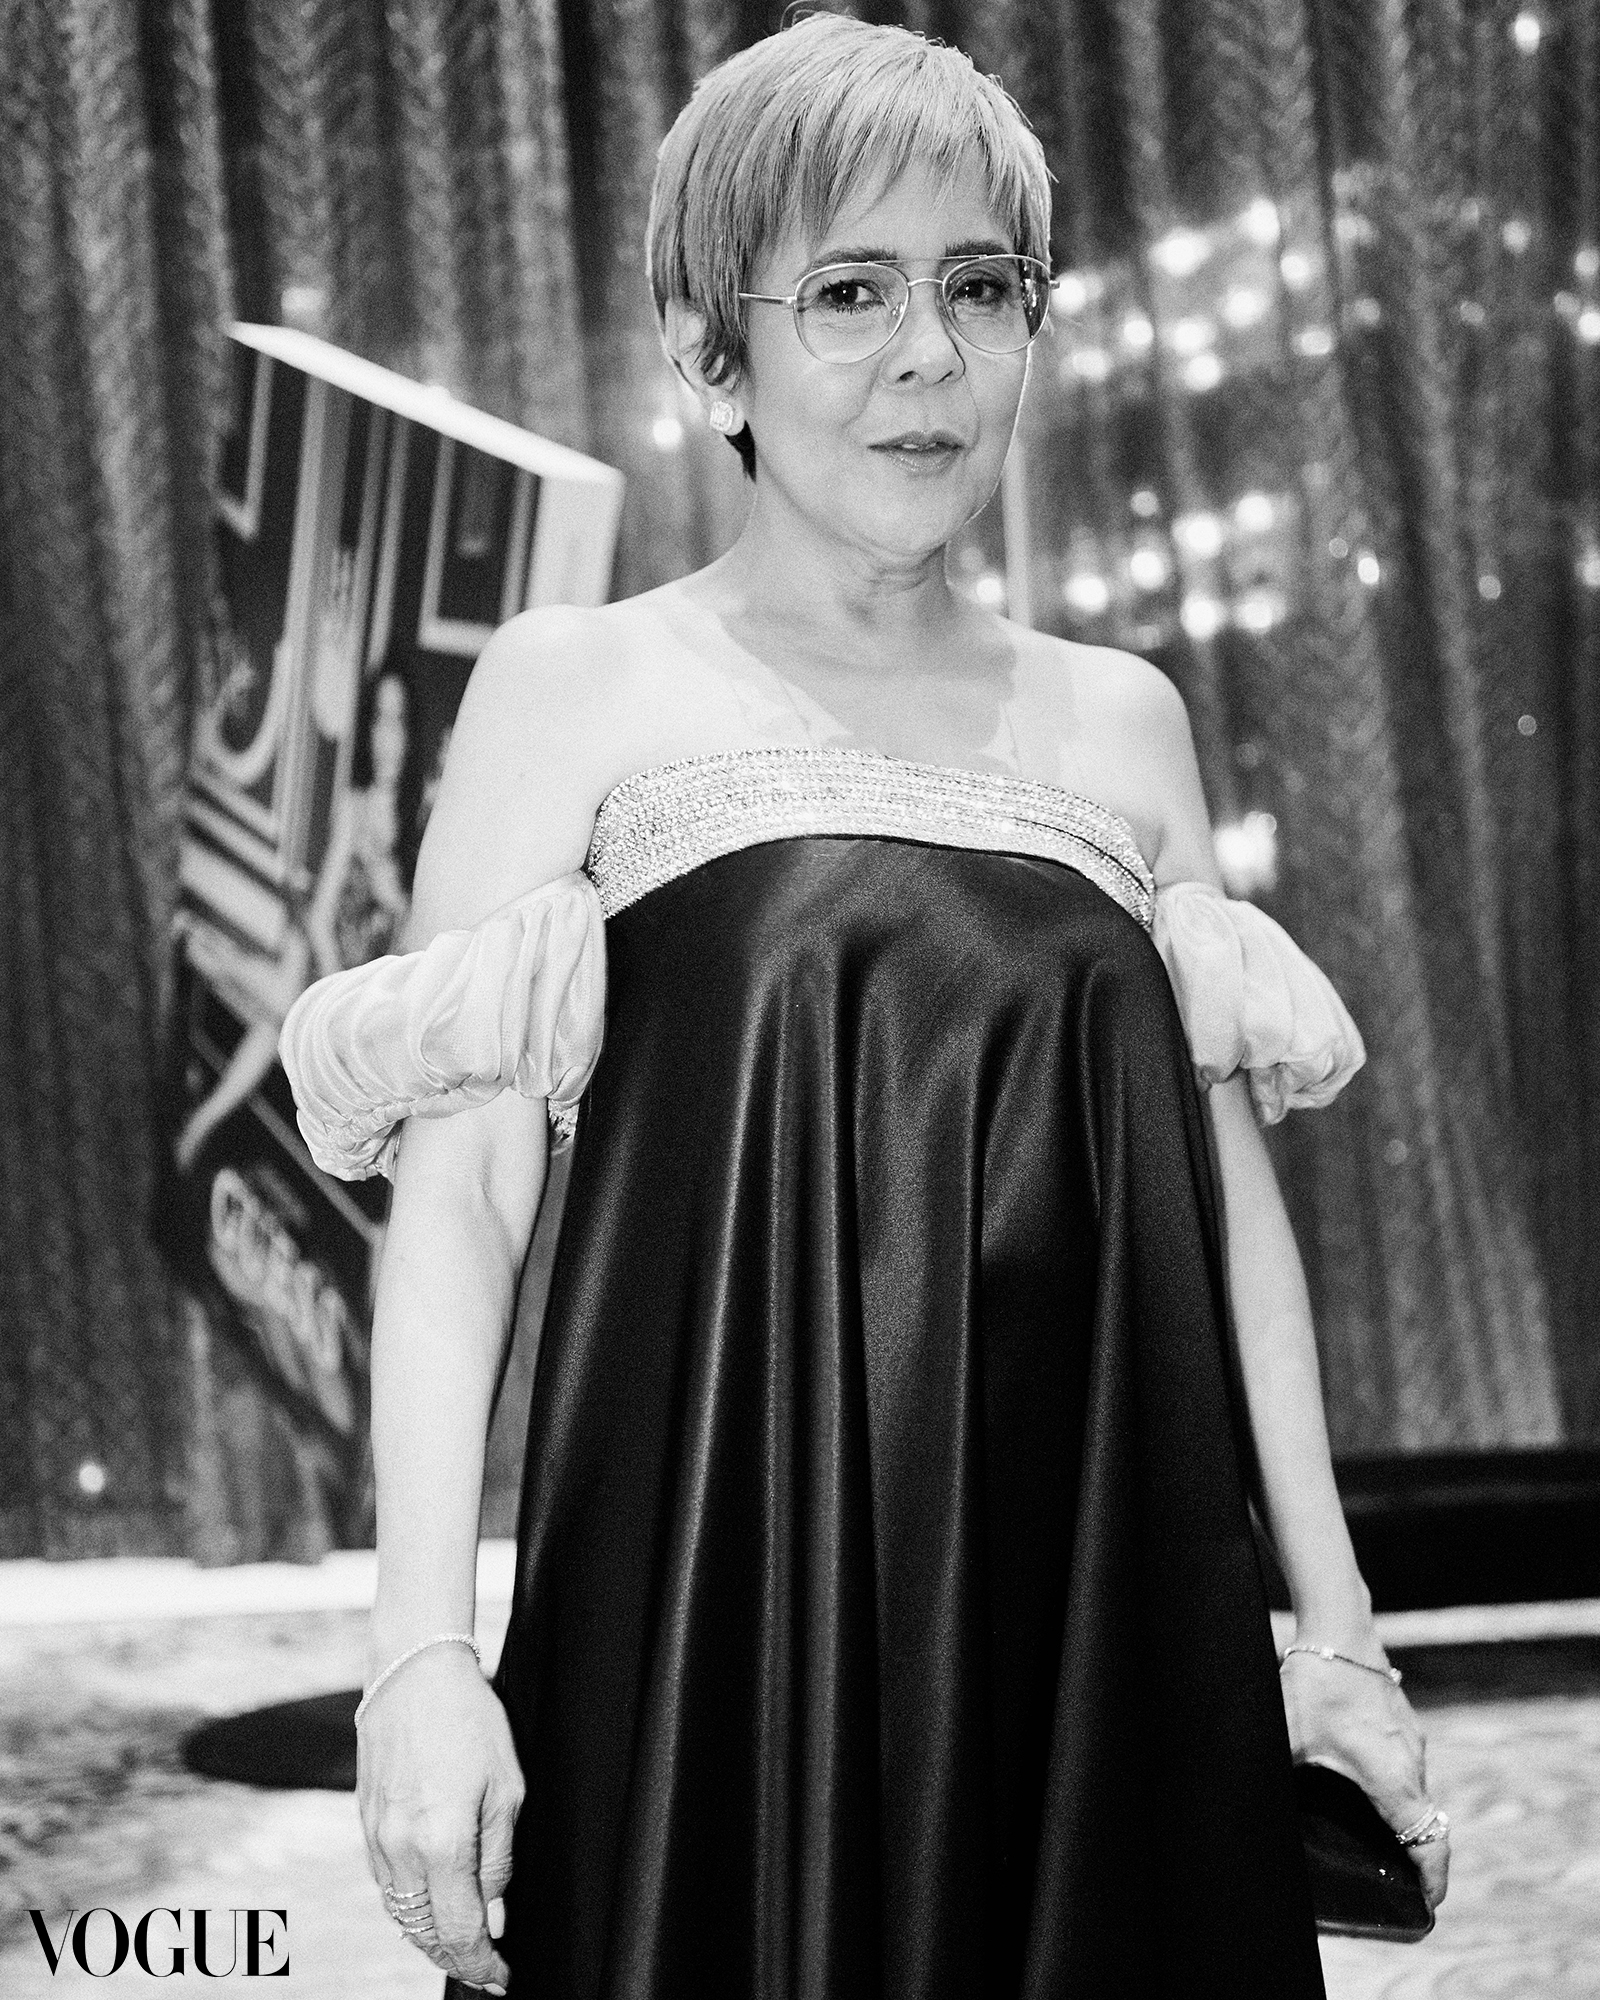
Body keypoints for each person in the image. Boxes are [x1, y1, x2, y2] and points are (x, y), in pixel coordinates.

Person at [279, 16, 1449, 1996]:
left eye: (981, 289)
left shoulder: (1121, 722)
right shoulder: (579, 689)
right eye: (847, 292)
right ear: (705, 349)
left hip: (1100, 1618)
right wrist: (420, 1657)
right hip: (708, 1602)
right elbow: (460, 1202)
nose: (929, 356)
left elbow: (1227, 1222)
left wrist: (1332, 1633)